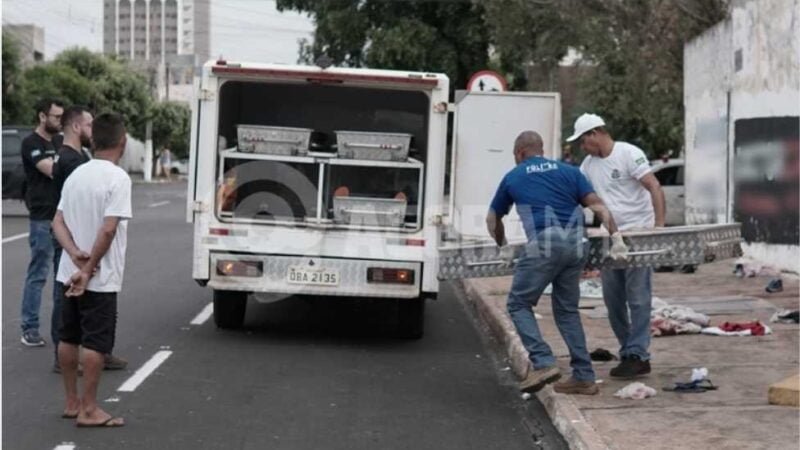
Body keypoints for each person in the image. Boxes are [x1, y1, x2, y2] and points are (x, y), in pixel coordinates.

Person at [486, 130, 627, 395]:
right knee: (566, 310)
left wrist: (503, 247)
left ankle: (543, 362)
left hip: (544, 243)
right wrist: (616, 237)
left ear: (519, 153)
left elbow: (492, 219)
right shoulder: (569, 171)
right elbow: (597, 205)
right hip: (576, 244)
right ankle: (584, 376)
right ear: (541, 149)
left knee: (518, 304)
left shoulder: (513, 176)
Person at [567, 113, 666, 379]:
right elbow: (582, 200)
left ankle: (638, 354)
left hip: (638, 233)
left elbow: (654, 186)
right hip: (610, 237)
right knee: (613, 300)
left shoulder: (628, 154)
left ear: (594, 134)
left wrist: (658, 228)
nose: (582, 147)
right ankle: (628, 350)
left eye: (582, 141)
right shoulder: (588, 165)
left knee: (638, 297)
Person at [52, 113, 131, 427]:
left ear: (94, 140)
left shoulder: (77, 175)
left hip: (66, 272)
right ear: (122, 143)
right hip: (99, 277)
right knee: (96, 343)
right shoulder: (117, 178)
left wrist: (73, 255)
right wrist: (89, 269)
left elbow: (56, 221)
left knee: (68, 337)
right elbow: (109, 229)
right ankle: (89, 409)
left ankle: (71, 402)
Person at [19, 98, 64, 347]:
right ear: (42, 117)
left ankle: (60, 330)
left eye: (61, 117)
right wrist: (64, 164)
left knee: (62, 276)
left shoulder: (59, 141)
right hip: (42, 217)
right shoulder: (31, 143)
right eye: (56, 116)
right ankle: (30, 327)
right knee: (38, 274)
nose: (59, 121)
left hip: (61, 216)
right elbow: (50, 169)